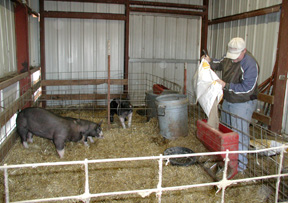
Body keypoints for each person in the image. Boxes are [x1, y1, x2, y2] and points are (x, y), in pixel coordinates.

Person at [202, 37, 259, 172]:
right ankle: (228, 159)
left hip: (242, 103)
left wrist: (226, 85)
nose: (233, 59)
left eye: (236, 56)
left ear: (244, 51)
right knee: (226, 131)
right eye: (231, 56)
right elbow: (220, 63)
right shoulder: (230, 57)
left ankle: (240, 166)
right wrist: (209, 61)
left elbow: (247, 88)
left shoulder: (250, 64)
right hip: (228, 99)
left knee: (239, 134)